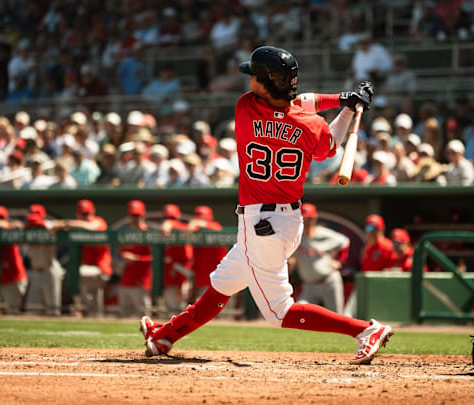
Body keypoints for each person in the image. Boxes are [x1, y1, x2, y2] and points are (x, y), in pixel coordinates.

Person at [140, 46, 392, 365]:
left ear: (267, 82)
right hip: (283, 220)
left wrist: (343, 99)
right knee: (221, 285)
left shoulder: (245, 107)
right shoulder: (310, 125)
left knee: (278, 312)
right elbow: (328, 143)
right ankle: (165, 336)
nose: (250, 82)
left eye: (255, 77)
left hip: (263, 225)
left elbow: (296, 101)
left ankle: (364, 329)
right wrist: (347, 106)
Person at [52, 200, 112, 316]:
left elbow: (91, 227)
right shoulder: (76, 226)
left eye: (88, 213)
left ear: (93, 212)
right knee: (94, 305)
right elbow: (53, 227)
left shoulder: (99, 221)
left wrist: (67, 223)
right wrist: (60, 225)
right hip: (88, 270)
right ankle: (87, 312)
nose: (87, 217)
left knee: (76, 273)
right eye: (84, 214)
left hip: (101, 269)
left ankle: (79, 308)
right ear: (78, 214)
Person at [289, 203, 349, 314]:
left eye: (309, 219)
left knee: (337, 318)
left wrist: (339, 261)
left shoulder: (323, 234)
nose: (306, 222)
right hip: (309, 286)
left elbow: (345, 241)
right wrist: (291, 260)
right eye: (304, 219)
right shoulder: (296, 237)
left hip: (329, 282)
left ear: (314, 218)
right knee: (297, 312)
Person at [0, 206, 28, 314]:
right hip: (3, 277)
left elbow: (8, 225)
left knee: (14, 310)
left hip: (15, 276)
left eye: (1, 217)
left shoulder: (9, 228)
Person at [23, 211, 63, 316]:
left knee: (53, 308)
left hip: (49, 270)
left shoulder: (48, 228)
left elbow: (62, 225)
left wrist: (46, 225)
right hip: (36, 272)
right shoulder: (26, 231)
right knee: (32, 307)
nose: (34, 227)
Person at [186, 205, 227, 304]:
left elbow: (216, 229)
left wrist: (197, 223)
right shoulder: (194, 232)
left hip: (219, 282)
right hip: (202, 283)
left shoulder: (215, 227)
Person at [119, 200, 153, 317]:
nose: (135, 218)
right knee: (124, 318)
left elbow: (156, 258)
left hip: (141, 281)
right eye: (133, 215)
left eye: (137, 215)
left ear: (143, 215)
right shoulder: (125, 233)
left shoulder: (148, 233)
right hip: (125, 280)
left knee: (144, 317)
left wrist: (137, 258)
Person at [160, 204, 193, 314]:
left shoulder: (183, 229)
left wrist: (170, 223)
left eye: (172, 218)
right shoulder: (161, 231)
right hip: (169, 279)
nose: (168, 220)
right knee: (169, 311)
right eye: (166, 218)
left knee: (180, 311)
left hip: (182, 278)